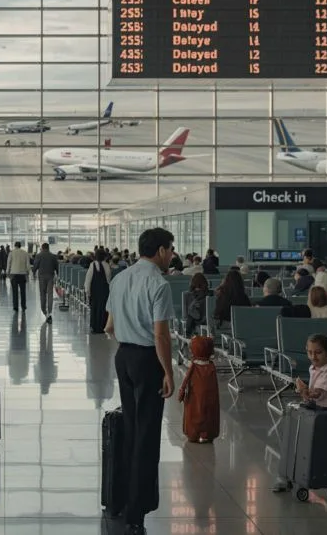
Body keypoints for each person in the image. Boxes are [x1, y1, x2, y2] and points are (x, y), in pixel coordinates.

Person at [103, 228, 176, 535]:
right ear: (160, 250)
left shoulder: (120, 278)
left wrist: (127, 337)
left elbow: (109, 326)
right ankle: (136, 511)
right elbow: (161, 335)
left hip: (124, 357)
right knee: (146, 435)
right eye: (170, 249)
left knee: (130, 428)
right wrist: (168, 372)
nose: (172, 255)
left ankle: (118, 498)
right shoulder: (158, 284)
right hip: (147, 360)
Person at [272, 334, 327, 492]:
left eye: (318, 352)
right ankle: (287, 474)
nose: (313, 357)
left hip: (323, 412)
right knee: (290, 436)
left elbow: (317, 394)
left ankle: (297, 476)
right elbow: (311, 395)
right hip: (313, 408)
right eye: (310, 352)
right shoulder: (313, 368)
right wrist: (304, 391)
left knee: (312, 446)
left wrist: (304, 391)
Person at [178, 335, 219, 444]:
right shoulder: (211, 366)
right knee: (209, 413)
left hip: (194, 395)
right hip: (210, 397)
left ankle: (193, 433)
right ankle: (208, 433)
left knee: (194, 411)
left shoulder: (194, 366)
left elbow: (186, 379)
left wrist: (181, 392)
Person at [86, 249, 113, 334]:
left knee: (94, 307)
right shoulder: (107, 265)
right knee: (103, 308)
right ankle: (103, 326)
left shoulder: (92, 265)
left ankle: (94, 326)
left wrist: (87, 291)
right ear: (104, 256)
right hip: (104, 290)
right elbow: (109, 279)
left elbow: (88, 280)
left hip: (94, 290)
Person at [32, 243, 60, 321]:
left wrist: (33, 273)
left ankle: (44, 310)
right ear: (48, 248)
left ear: (42, 248)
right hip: (50, 276)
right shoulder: (53, 256)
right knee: (50, 294)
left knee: (42, 293)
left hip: (42, 276)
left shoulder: (39, 255)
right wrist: (58, 275)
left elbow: (35, 265)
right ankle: (50, 312)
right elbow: (57, 267)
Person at [6, 241, 31, 313]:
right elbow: (28, 264)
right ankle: (23, 306)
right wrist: (28, 272)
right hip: (22, 274)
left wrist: (7, 272)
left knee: (15, 291)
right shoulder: (25, 253)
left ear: (15, 246)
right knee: (23, 291)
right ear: (20, 246)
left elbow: (9, 263)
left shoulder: (11, 253)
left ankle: (15, 307)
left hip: (13, 274)